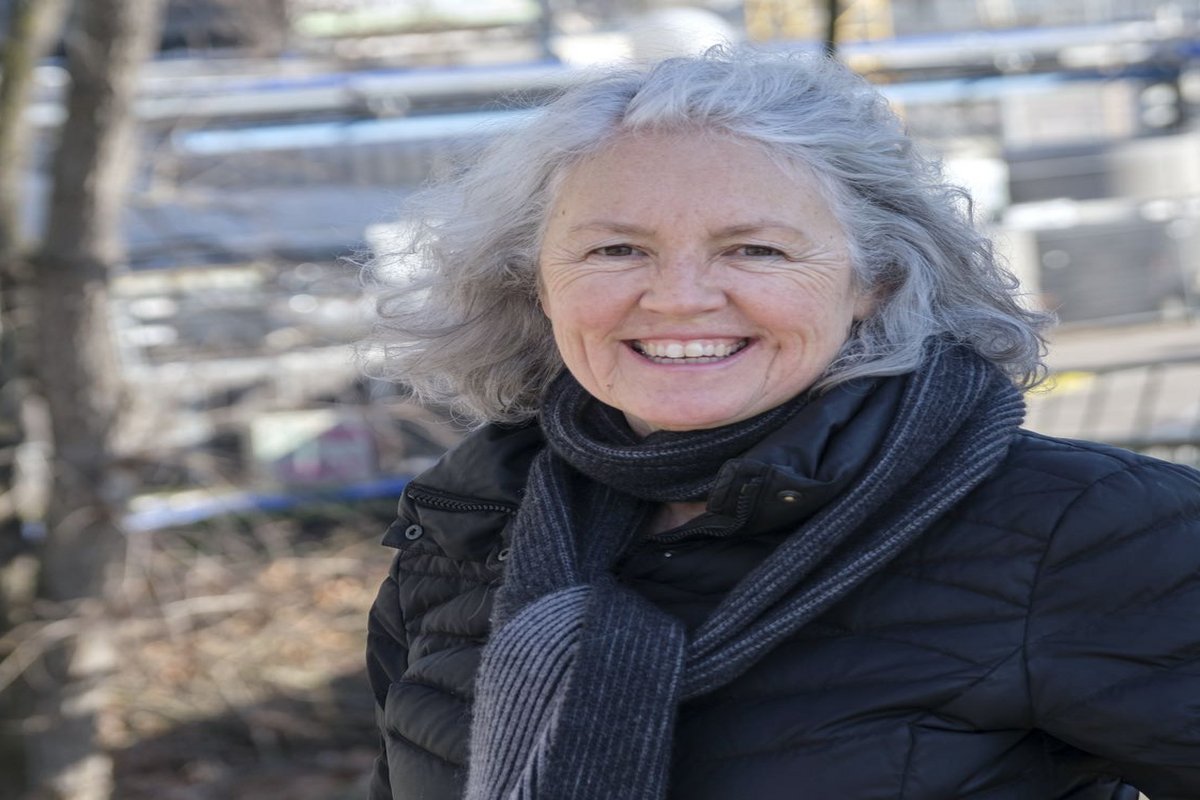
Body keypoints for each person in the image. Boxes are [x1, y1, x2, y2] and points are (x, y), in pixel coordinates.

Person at [363, 48, 1200, 800]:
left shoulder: (1086, 531)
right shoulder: (470, 530)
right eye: (616, 250)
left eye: (755, 249)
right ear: (536, 286)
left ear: (874, 280)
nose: (679, 297)